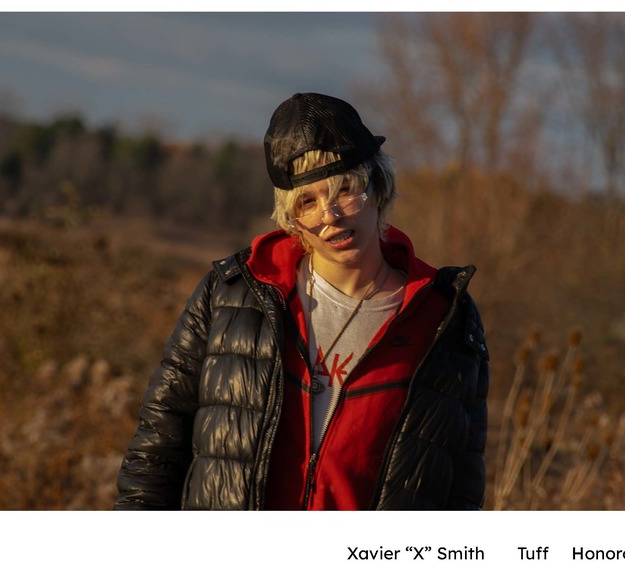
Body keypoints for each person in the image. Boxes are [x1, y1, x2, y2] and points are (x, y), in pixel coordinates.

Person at [114, 92, 488, 510]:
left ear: (379, 189)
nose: (330, 216)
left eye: (346, 190)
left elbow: (461, 487)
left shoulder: (441, 317)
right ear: (290, 218)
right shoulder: (233, 295)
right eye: (308, 202)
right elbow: (157, 446)